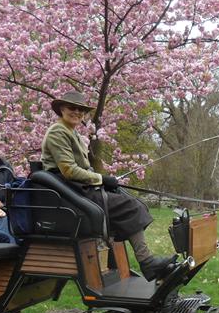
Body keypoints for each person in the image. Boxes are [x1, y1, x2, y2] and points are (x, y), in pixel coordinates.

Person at [41, 91, 174, 281]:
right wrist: (101, 179)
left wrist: (103, 181)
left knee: (133, 201)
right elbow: (68, 170)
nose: (77, 112)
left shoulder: (72, 132)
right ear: (61, 109)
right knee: (131, 207)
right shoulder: (57, 132)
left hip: (79, 188)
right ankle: (147, 262)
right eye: (72, 108)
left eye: (81, 110)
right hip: (69, 192)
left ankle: (119, 265)